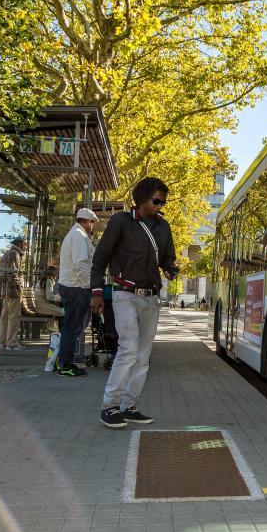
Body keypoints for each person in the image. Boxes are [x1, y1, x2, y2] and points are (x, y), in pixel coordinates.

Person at [91, 178, 178, 428]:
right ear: (142, 197)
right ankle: (109, 406)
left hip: (151, 297)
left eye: (163, 201)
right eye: (157, 200)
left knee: (143, 355)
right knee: (128, 349)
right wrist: (96, 293)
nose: (161, 205)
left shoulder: (164, 227)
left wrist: (171, 269)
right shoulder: (121, 221)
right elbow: (99, 260)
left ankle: (128, 405)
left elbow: (168, 258)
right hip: (124, 294)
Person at [56, 207, 99, 377]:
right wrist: (88, 287)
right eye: (92, 223)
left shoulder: (75, 234)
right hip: (76, 288)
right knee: (73, 327)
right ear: (87, 221)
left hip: (71, 286)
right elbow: (81, 264)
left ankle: (65, 362)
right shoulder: (79, 237)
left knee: (72, 326)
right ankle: (65, 365)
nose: (93, 226)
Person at [0, 238, 27, 351]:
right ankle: (11, 343)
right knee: (14, 316)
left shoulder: (6, 254)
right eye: (25, 245)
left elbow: (1, 273)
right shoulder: (14, 254)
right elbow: (12, 273)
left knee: (5, 317)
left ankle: (2, 343)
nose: (25, 247)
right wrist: (19, 288)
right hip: (13, 291)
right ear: (19, 244)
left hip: (5, 290)